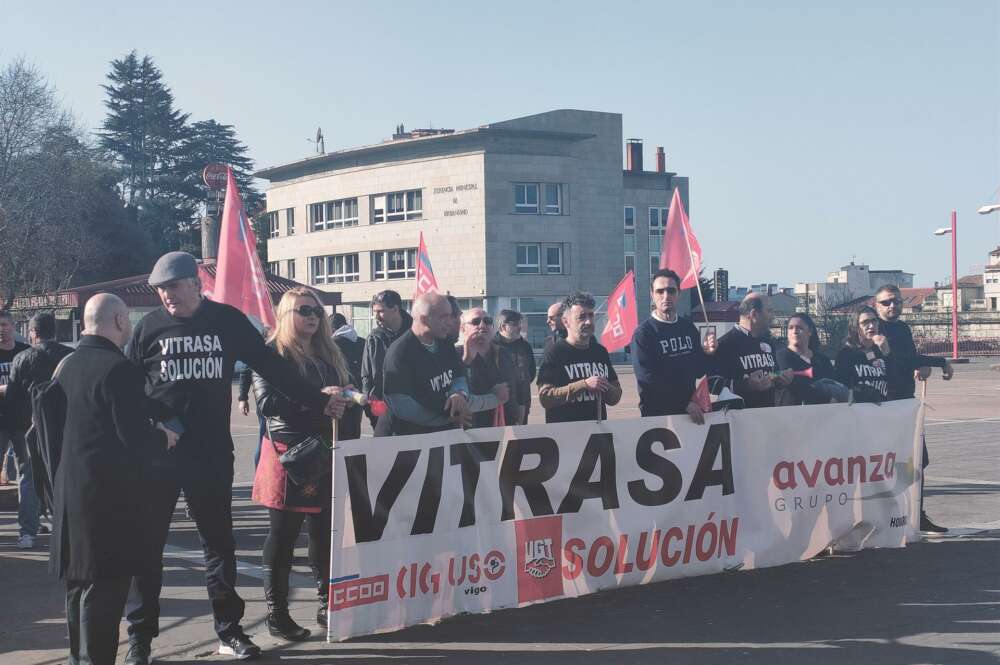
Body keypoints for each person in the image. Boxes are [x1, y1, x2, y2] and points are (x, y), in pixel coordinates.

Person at [124, 252, 344, 663]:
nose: (166, 295)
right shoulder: (149, 328)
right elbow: (129, 388)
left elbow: (271, 367)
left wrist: (317, 401)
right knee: (147, 546)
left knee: (219, 546)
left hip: (210, 455)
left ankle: (230, 631)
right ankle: (140, 640)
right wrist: (159, 420)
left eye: (173, 286)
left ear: (195, 283)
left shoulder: (225, 320)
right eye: (160, 289)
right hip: (160, 456)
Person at [51, 294, 179, 665]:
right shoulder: (119, 370)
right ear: (121, 321)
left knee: (78, 589)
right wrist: (164, 437)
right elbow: (136, 440)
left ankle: (80, 659)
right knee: (104, 594)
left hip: (70, 493)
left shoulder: (67, 364)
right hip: (107, 501)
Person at [251, 288, 354, 641]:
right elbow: (266, 404)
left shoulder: (329, 353)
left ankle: (328, 605)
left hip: (325, 448)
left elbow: (340, 393)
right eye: (303, 310)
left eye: (317, 312)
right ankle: (277, 614)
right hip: (288, 452)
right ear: (285, 315)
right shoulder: (271, 353)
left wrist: (349, 398)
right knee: (283, 535)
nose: (312, 316)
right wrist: (318, 402)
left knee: (324, 531)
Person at [874, 284, 953, 533]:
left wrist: (921, 366)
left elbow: (908, 358)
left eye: (896, 301)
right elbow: (899, 359)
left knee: (919, 459)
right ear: (877, 305)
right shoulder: (874, 329)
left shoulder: (902, 329)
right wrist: (938, 361)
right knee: (882, 464)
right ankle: (882, 516)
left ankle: (916, 514)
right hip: (883, 405)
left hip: (905, 402)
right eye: (886, 302)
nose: (892, 306)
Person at [7, 312, 74, 518]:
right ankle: (67, 519)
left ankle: (29, 530)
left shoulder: (22, 358)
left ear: (34, 332)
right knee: (66, 473)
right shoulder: (70, 356)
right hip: (66, 427)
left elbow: (12, 398)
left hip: (30, 427)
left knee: (30, 475)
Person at [381, 293, 470, 435]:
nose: (450, 322)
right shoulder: (400, 353)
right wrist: (447, 419)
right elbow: (403, 407)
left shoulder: (444, 342)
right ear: (423, 319)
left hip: (440, 437)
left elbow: (459, 375)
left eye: (451, 316)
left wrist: (458, 393)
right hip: (405, 441)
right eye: (443, 317)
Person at [632, 269, 711, 423]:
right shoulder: (643, 334)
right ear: (652, 295)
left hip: (690, 415)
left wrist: (707, 352)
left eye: (671, 290)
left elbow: (699, 370)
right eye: (660, 291)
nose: (666, 296)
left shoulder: (688, 328)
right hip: (658, 417)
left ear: (678, 294)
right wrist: (683, 403)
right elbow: (648, 380)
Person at [537, 292, 622, 423]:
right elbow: (545, 397)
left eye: (591, 315)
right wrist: (584, 385)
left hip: (597, 435)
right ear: (566, 322)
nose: (588, 321)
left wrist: (606, 387)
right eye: (581, 317)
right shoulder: (554, 352)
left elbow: (615, 396)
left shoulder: (600, 352)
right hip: (564, 436)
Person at [713, 293, 792, 409]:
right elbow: (712, 385)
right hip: (738, 420)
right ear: (754, 314)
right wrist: (746, 385)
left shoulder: (768, 342)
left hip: (766, 417)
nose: (773, 316)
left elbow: (770, 374)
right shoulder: (724, 344)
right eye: (769, 311)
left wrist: (780, 377)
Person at [0, 309, 34, 548]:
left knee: (28, 476)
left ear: (13, 327)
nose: (2, 330)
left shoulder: (25, 353)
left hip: (22, 422)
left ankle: (28, 530)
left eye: (5, 325)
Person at [361, 290, 412, 435]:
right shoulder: (374, 337)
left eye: (381, 311)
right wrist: (369, 398)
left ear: (395, 309)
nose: (376, 316)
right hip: (381, 405)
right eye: (374, 311)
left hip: (411, 406)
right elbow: (366, 373)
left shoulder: (415, 334)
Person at [458, 307, 516, 427]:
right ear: (463, 329)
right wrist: (491, 396)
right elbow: (458, 394)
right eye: (475, 321)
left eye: (488, 321)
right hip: (470, 431)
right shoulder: (455, 355)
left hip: (504, 429)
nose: (482, 325)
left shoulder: (503, 354)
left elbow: (515, 391)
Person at [774, 313, 841, 405]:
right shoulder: (782, 356)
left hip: (824, 414)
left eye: (799, 328)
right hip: (791, 413)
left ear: (810, 331)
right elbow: (795, 386)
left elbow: (834, 385)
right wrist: (826, 399)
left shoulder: (823, 360)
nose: (794, 331)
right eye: (791, 328)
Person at [835, 306, 894, 402]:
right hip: (858, 412)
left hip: (883, 410)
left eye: (874, 321)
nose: (871, 326)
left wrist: (887, 353)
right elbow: (842, 389)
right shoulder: (846, 355)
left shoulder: (883, 350)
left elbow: (896, 381)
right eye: (865, 322)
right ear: (856, 327)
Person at [494, 309, 536, 424]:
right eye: (515, 324)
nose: (519, 327)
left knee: (520, 440)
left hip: (523, 403)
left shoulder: (525, 346)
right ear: (503, 326)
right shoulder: (492, 346)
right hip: (499, 405)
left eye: (520, 324)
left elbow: (531, 373)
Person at [331, 312, 365, 439]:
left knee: (338, 439)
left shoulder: (331, 344)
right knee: (354, 435)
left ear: (332, 329)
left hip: (339, 395)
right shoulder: (362, 341)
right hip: (358, 396)